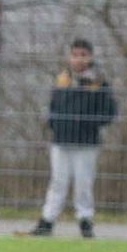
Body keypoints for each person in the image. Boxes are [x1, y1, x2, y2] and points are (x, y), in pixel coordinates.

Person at [30, 38, 116, 238]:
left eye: (83, 55)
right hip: (61, 141)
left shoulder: (98, 82)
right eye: (75, 55)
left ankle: (85, 220)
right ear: (69, 57)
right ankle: (47, 220)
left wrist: (88, 124)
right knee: (58, 182)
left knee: (83, 183)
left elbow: (109, 112)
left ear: (91, 57)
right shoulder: (63, 80)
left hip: (86, 143)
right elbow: (53, 107)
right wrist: (55, 125)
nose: (78, 60)